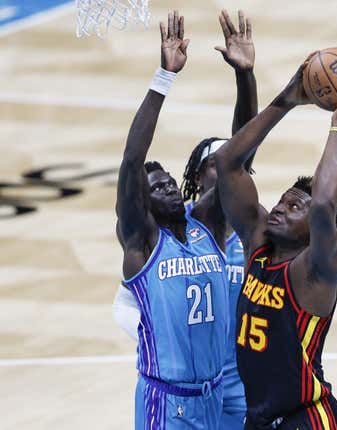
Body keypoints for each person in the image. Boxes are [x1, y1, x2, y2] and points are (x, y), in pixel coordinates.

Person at [113, 9, 257, 430]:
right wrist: (164, 78)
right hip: (168, 402)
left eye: (169, 181)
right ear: (142, 204)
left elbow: (239, 163)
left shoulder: (207, 228)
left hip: (215, 394)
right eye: (155, 188)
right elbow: (130, 162)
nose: (168, 187)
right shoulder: (143, 243)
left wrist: (244, 76)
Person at [213, 58, 337, 429]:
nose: (281, 208)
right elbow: (227, 162)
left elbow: (323, 205)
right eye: (282, 200)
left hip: (307, 418)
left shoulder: (315, 270)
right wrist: (286, 98)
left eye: (294, 207)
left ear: (315, 230)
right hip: (261, 418)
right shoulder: (258, 244)